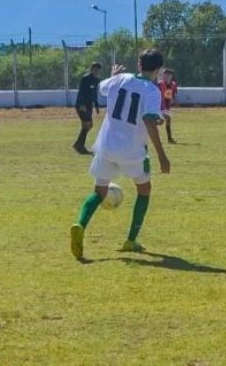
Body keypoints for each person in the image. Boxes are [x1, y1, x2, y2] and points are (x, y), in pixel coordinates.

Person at [69, 49, 171, 260]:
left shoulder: (119, 79)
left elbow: (102, 88)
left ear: (139, 64)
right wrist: (162, 154)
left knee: (99, 191)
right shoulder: (151, 91)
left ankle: (80, 224)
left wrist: (115, 75)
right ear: (159, 70)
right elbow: (149, 121)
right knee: (144, 190)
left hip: (106, 146)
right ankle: (131, 240)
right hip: (132, 151)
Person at [72, 62, 102, 154]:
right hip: (82, 105)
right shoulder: (85, 78)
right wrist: (82, 104)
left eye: (98, 70)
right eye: (95, 69)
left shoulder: (97, 80)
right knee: (87, 124)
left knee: (87, 125)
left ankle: (78, 145)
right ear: (91, 69)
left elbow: (94, 93)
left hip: (89, 106)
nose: (97, 71)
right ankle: (79, 146)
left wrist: (96, 105)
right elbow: (81, 92)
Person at [158, 68, 178, 144]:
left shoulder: (173, 84)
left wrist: (174, 100)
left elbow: (171, 94)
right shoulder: (160, 84)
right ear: (164, 75)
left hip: (166, 107)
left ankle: (169, 139)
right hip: (158, 106)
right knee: (167, 119)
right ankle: (169, 139)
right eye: (167, 74)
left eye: (170, 74)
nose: (169, 76)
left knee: (162, 121)